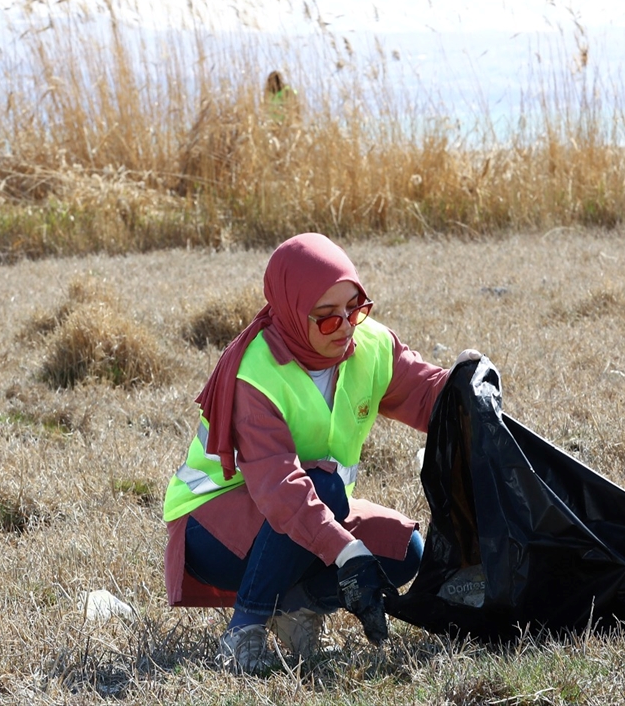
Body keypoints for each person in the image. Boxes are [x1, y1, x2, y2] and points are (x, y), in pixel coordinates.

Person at [162, 233, 480, 672]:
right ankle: (245, 629)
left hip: (305, 507)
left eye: (356, 308)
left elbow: (428, 397)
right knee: (325, 489)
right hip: (212, 531)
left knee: (404, 552)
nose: (347, 326)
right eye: (328, 318)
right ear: (293, 314)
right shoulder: (256, 373)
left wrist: (464, 382)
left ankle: (293, 608)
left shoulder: (369, 346)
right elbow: (282, 491)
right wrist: (346, 552)